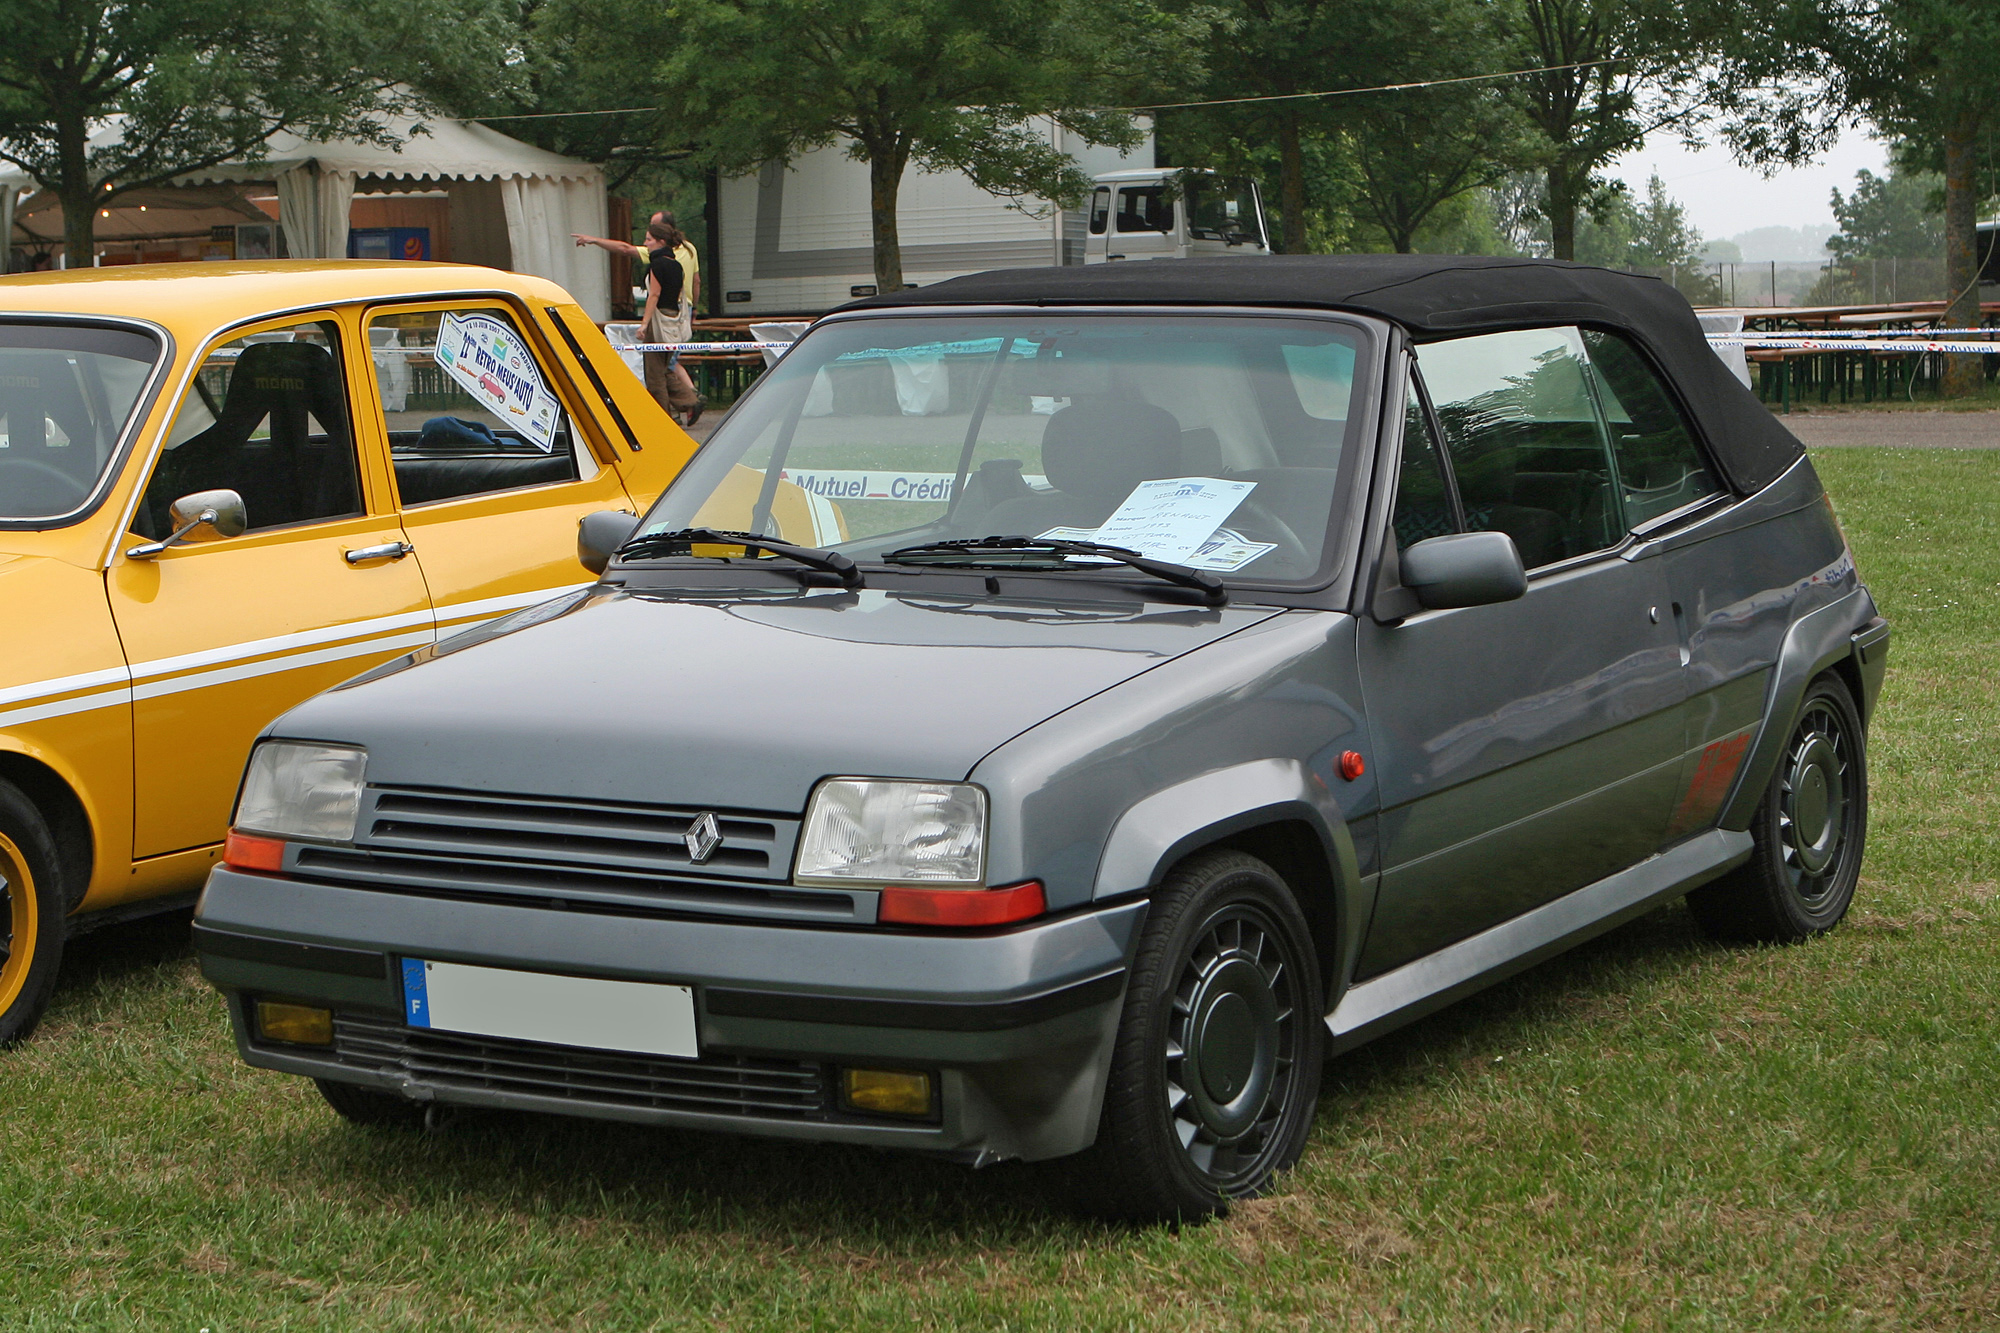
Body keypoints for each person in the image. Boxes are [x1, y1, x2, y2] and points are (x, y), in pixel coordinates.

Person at [636, 221, 704, 425]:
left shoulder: (657, 265)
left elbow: (654, 294)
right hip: (672, 319)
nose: (645, 243)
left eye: (649, 239)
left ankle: (663, 420)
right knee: (665, 368)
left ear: (660, 241)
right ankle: (690, 400)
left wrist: (644, 323)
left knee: (654, 374)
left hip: (658, 321)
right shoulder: (676, 265)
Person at [574, 210, 700, 310]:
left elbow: (624, 249)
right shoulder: (690, 248)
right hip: (685, 306)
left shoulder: (657, 252)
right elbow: (696, 281)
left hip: (664, 307)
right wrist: (694, 307)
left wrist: (595, 240)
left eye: (654, 226)